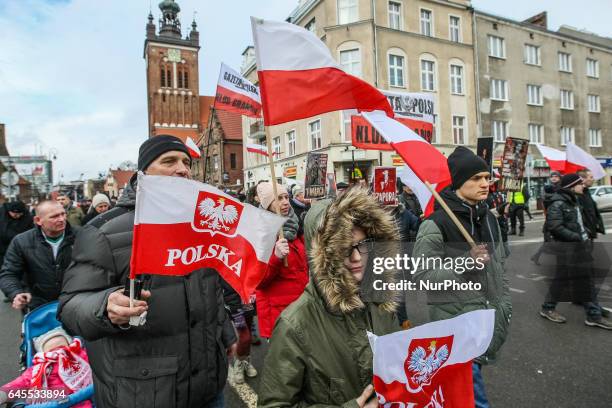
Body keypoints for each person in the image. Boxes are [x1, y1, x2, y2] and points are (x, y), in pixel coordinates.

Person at [58, 135, 237, 408]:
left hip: (209, 390)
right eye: (169, 161)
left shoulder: (202, 227)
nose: (182, 169)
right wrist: (105, 306)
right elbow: (70, 307)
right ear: (143, 173)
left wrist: (226, 335)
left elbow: (212, 291)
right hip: (144, 393)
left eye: (186, 162)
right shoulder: (103, 232)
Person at [258, 187, 399, 407]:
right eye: (342, 249)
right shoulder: (294, 325)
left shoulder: (381, 301)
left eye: (362, 245)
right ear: (323, 256)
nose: (356, 257)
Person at [412, 147, 512, 408]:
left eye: (487, 178)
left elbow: (500, 266)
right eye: (477, 178)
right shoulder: (435, 224)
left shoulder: (489, 218)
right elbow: (423, 276)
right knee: (473, 401)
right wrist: (466, 261)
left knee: (460, 398)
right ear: (459, 182)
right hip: (456, 328)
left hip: (487, 322)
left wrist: (505, 304)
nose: (485, 184)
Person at [540, 173, 612, 329]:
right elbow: (555, 227)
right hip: (569, 247)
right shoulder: (558, 203)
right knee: (584, 280)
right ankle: (593, 315)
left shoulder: (573, 200)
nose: (583, 185)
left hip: (578, 246)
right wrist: (577, 237)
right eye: (580, 183)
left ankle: (548, 307)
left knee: (565, 279)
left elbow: (579, 221)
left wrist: (585, 233)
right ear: (572, 186)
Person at [255, 182, 308, 339]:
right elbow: (258, 281)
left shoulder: (295, 226)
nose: (285, 202)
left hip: (301, 310)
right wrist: (276, 258)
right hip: (280, 316)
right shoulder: (260, 233)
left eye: (286, 197)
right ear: (267, 204)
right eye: (279, 198)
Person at [0, 201, 74, 311]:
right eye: (54, 216)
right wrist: (16, 293)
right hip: (38, 307)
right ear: (38, 220)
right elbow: (9, 273)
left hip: (75, 305)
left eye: (63, 214)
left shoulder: (82, 236)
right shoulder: (21, 242)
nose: (62, 219)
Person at [0, 327, 92, 407]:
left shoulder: (81, 356)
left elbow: (99, 363)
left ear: (70, 345)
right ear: (43, 354)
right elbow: (20, 383)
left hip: (83, 399)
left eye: (61, 348)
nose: (58, 352)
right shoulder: (38, 369)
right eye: (52, 351)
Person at [0, 201, 34, 267]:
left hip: (20, 249)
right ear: (9, 211)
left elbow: (31, 231)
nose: (17, 216)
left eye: (19, 214)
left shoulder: (27, 217)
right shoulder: (2, 214)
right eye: (14, 214)